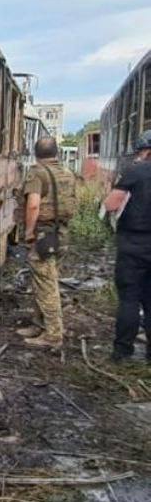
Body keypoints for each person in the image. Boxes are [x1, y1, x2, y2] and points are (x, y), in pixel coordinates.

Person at [19, 136, 77, 350]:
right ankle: (38, 325)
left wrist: (28, 232)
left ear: (36, 153)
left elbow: (33, 205)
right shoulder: (68, 173)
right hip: (61, 234)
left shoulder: (37, 173)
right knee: (44, 281)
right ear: (57, 153)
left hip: (43, 235)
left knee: (46, 286)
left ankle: (53, 335)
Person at [103, 130, 151, 363]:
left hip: (134, 244)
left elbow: (111, 205)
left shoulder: (135, 171)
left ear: (147, 151)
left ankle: (122, 352)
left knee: (130, 299)